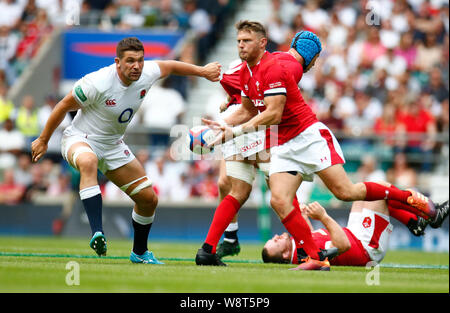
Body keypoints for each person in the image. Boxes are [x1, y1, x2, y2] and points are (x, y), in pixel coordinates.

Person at [202, 20, 440, 270]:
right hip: (285, 142)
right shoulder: (264, 68)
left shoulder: (282, 66)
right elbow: (244, 100)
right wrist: (223, 120)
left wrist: (231, 123)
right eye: (239, 41)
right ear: (310, 57)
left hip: (307, 137)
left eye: (245, 41)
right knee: (279, 200)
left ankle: (413, 201)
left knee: (346, 192)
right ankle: (315, 258)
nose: (240, 45)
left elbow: (272, 112)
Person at [31, 37, 221, 264]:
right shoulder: (97, 83)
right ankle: (97, 233)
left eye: (140, 60)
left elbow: (170, 66)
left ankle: (139, 253)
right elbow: (63, 105)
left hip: (113, 144)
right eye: (130, 61)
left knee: (148, 199)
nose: (136, 66)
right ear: (117, 62)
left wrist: (203, 71)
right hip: (81, 138)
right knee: (89, 161)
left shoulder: (147, 72)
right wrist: (43, 139)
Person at [262, 189, 449, 268]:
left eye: (273, 238)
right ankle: (431, 215)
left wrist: (304, 215)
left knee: (366, 193)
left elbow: (310, 236)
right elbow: (343, 245)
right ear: (285, 255)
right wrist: (323, 216)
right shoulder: (302, 257)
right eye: (276, 242)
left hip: (356, 236)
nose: (277, 236)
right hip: (365, 248)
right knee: (379, 190)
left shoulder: (299, 250)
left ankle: (414, 222)